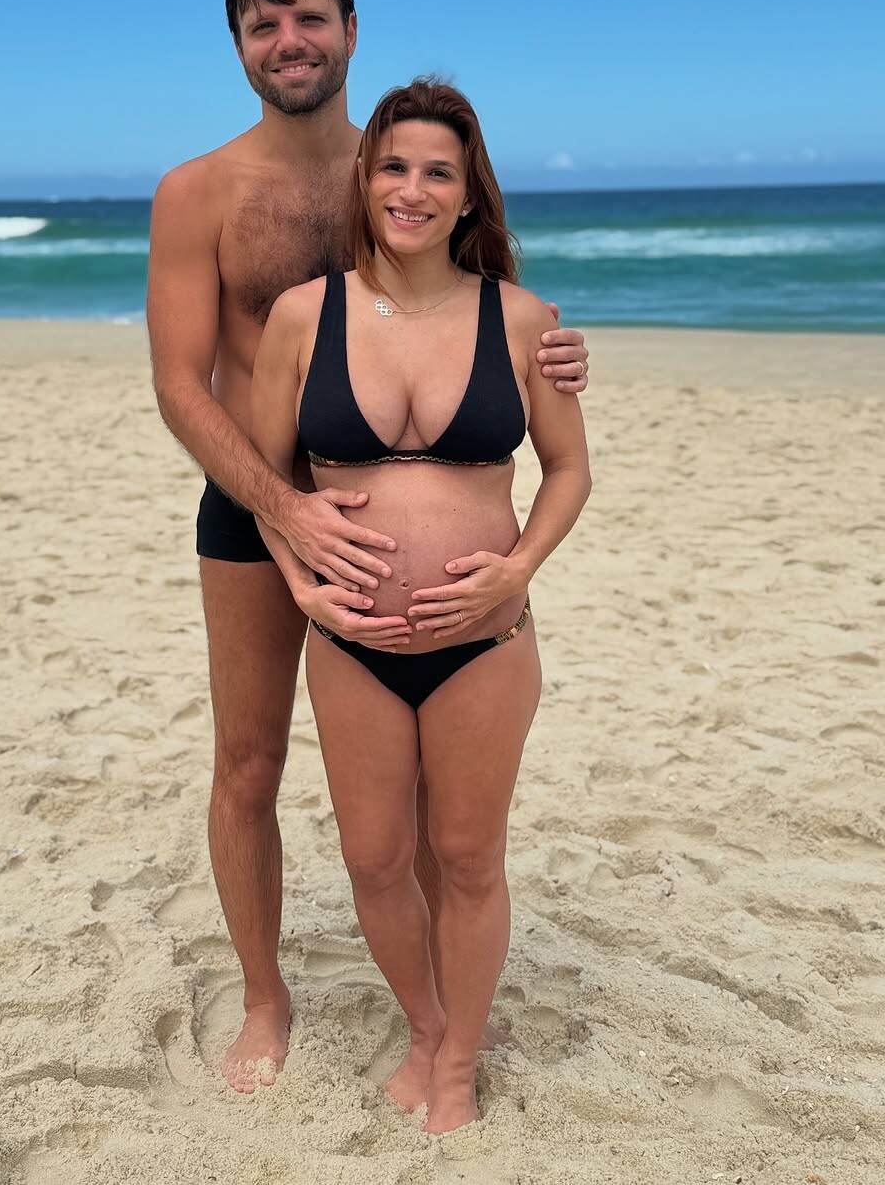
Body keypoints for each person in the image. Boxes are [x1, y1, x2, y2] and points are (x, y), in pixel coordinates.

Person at [146, 0, 590, 1093]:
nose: (287, 40)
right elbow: (181, 384)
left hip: (403, 517)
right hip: (253, 502)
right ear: (238, 46)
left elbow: (481, 305)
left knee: (437, 799)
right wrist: (280, 508)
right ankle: (265, 996)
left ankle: (443, 1014)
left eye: (306, 17)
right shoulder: (199, 191)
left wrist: (560, 353)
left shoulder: (399, 166)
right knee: (248, 761)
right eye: (261, 25)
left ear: (350, 27)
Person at [248, 78, 590, 1133]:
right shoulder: (303, 316)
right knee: (374, 858)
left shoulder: (522, 319)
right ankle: (430, 1022)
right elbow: (266, 478)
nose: (413, 188)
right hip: (350, 638)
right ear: (366, 180)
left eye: (439, 171)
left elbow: (570, 471)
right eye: (394, 166)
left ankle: (455, 1068)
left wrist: (517, 568)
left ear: (469, 192)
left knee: (470, 855)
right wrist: (299, 578)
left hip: (484, 640)